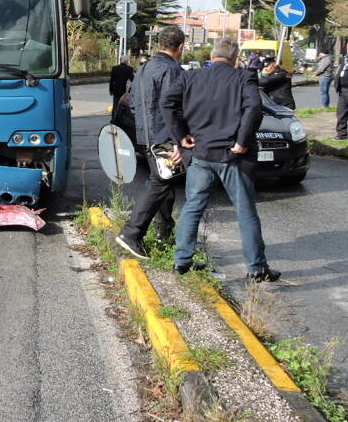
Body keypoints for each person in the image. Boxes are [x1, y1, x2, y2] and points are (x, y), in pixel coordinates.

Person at [161, 38, 279, 282]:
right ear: (235, 58)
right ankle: (257, 268)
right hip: (232, 156)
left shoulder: (190, 77)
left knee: (193, 206)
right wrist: (243, 141)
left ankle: (182, 261)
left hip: (200, 153)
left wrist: (181, 136)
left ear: (212, 56)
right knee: (245, 210)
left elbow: (167, 103)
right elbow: (254, 107)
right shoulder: (243, 77)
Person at [114, 26, 186, 259]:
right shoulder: (172, 69)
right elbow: (173, 107)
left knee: (167, 180)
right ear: (181, 47)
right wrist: (178, 139)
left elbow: (133, 103)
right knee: (161, 182)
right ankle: (132, 233)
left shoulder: (144, 68)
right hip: (163, 137)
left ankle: (163, 231)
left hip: (144, 136)